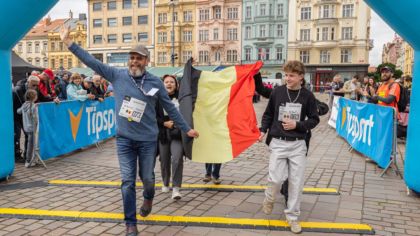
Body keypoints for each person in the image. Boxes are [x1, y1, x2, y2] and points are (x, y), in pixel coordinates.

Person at [60, 25, 199, 236]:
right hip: (124, 140)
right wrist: (70, 43)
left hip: (147, 141)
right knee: (127, 182)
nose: (134, 61)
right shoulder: (117, 75)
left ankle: (149, 198)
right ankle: (130, 223)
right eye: (132, 57)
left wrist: (186, 129)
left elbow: (170, 107)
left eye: (139, 58)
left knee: (149, 180)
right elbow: (92, 61)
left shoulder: (155, 82)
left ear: (147, 61)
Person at [259, 60, 319, 234]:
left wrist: (298, 125)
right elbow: (268, 114)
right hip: (278, 142)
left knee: (296, 183)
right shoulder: (277, 92)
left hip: (298, 145)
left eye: (291, 75)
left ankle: (292, 217)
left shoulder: (307, 96)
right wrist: (263, 130)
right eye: (286, 75)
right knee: (276, 179)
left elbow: (314, 119)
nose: (287, 78)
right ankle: (269, 197)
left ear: (301, 76)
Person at [156, 75, 185, 200]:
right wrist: (164, 123)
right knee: (164, 159)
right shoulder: (157, 98)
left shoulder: (182, 98)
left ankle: (176, 188)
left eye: (172, 82)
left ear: (176, 84)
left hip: (177, 132)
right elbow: (152, 116)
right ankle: (165, 182)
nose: (169, 84)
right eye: (166, 82)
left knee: (177, 158)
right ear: (163, 84)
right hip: (162, 133)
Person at [17, 89, 38, 168]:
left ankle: (31, 159)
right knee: (31, 145)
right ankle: (28, 161)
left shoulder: (24, 105)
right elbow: (35, 118)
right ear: (34, 97)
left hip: (26, 128)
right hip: (32, 128)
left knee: (30, 144)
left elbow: (18, 111)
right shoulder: (33, 106)